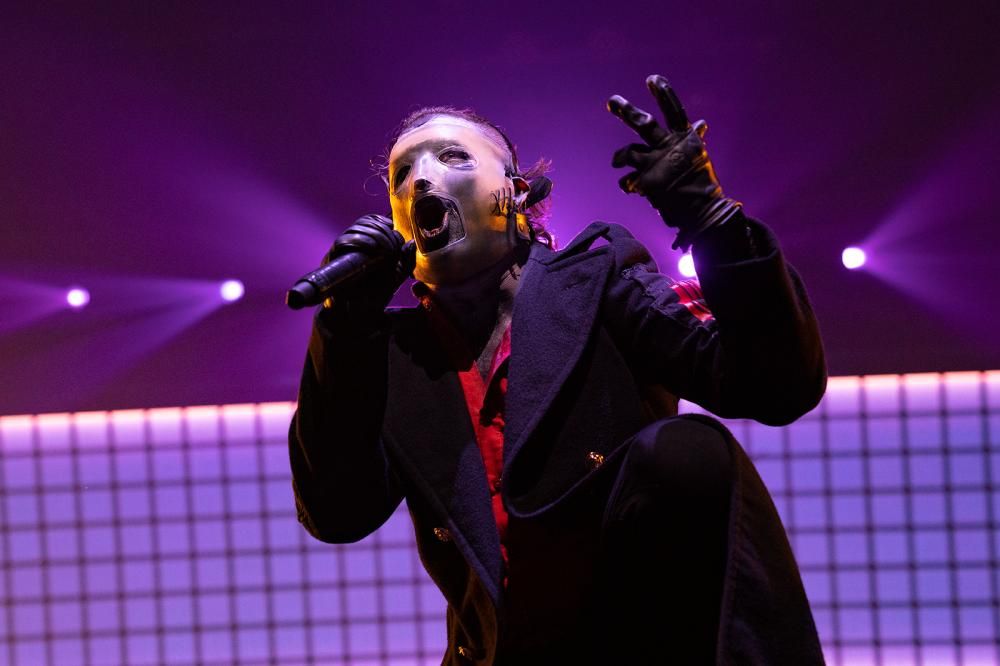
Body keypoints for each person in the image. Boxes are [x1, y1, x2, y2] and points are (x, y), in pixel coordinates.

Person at [289, 74, 828, 665]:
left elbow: (775, 384)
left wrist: (711, 220)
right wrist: (343, 327)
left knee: (686, 452)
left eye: (451, 156)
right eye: (401, 174)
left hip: (628, 642)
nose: (420, 179)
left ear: (515, 192)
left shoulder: (600, 280)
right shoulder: (391, 355)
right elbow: (337, 512)